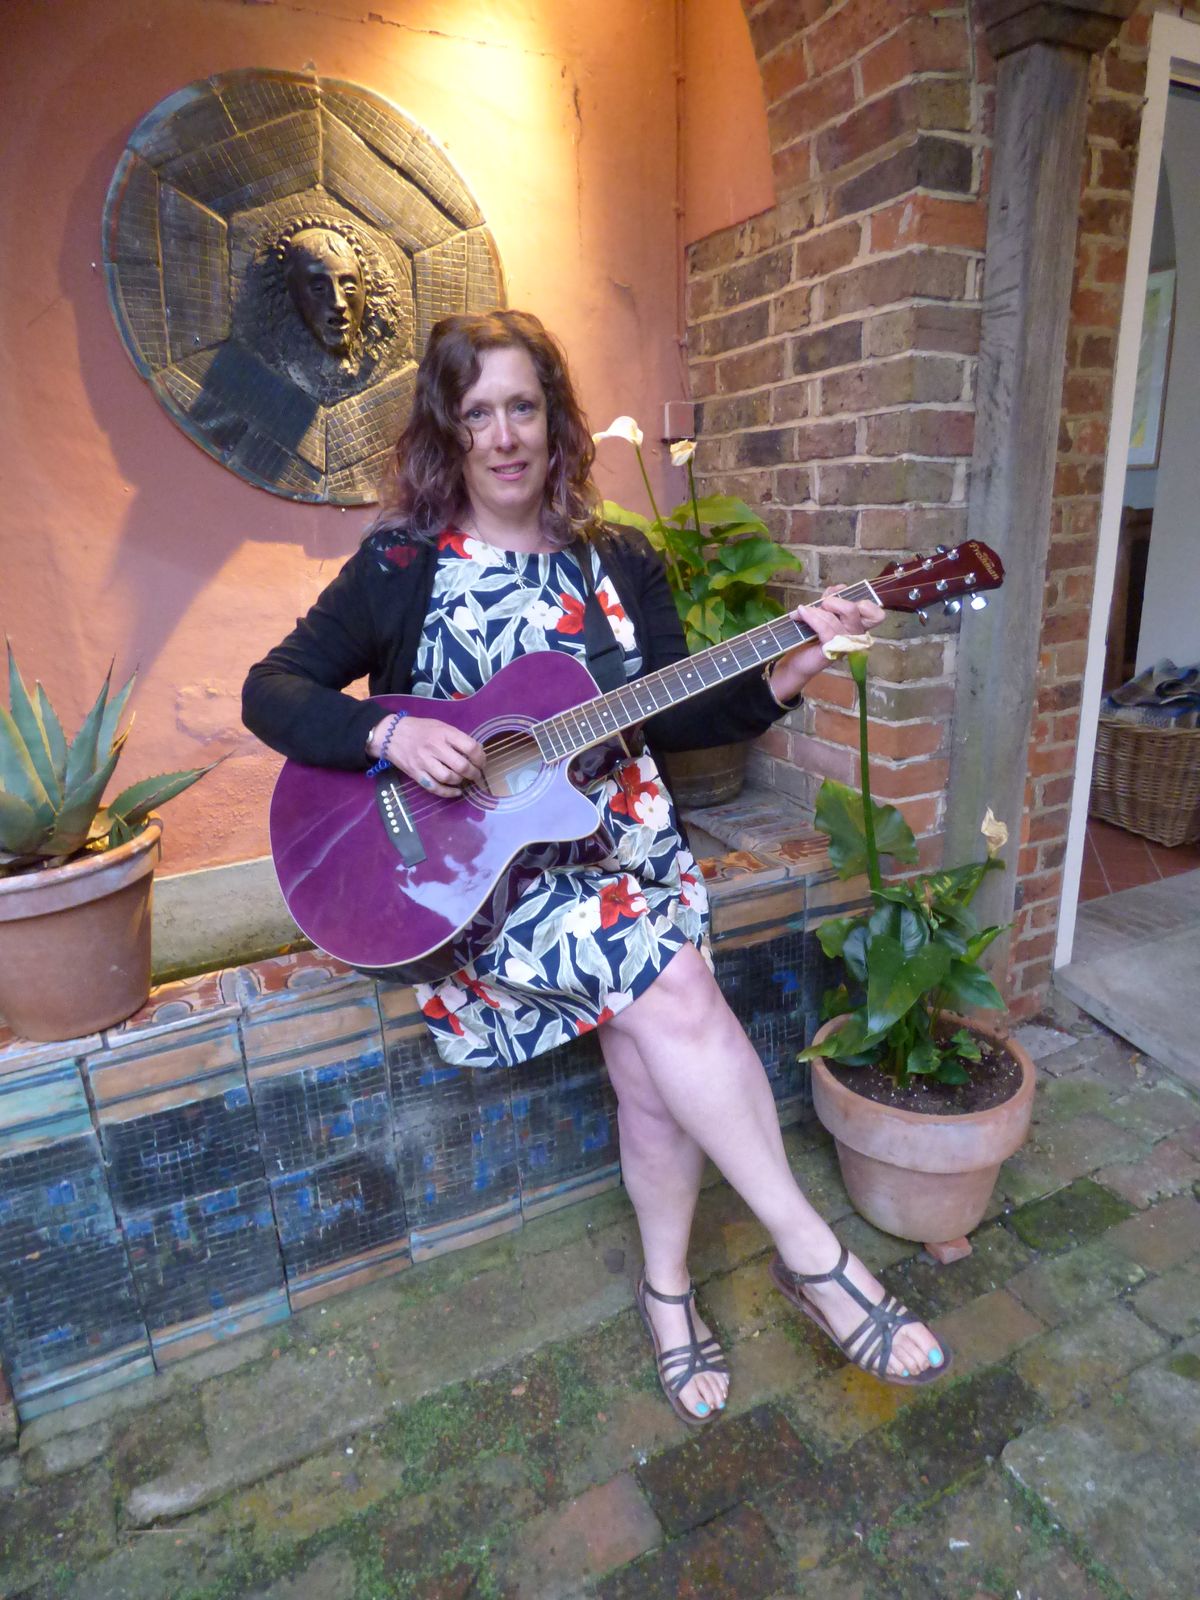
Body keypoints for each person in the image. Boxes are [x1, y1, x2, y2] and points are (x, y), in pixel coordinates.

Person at [243, 309, 950, 1427]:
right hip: (486, 879)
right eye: (478, 413)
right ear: (447, 430)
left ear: (553, 418)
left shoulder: (617, 559)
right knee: (678, 992)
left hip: (624, 846)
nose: (504, 436)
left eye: (523, 407)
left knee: (652, 1076)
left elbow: (677, 713)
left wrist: (791, 662)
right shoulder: (401, 563)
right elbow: (270, 691)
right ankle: (817, 1260)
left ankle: (668, 1295)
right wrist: (390, 732)